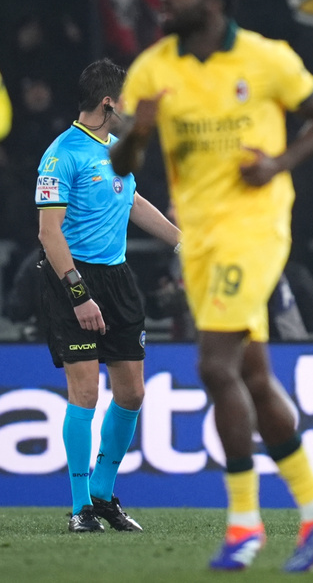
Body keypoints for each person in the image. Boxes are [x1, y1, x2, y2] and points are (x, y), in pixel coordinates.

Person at [109, 0, 313, 572]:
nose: (164, 0)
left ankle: (244, 523)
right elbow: (121, 164)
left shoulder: (267, 59)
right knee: (252, 376)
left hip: (257, 228)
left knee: (213, 365)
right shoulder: (152, 67)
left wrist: (277, 164)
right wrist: (140, 133)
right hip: (200, 237)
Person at [35, 58, 181, 533]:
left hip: (118, 280)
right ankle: (80, 507)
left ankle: (102, 493)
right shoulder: (61, 155)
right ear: (108, 102)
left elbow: (132, 201)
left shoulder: (118, 149)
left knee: (133, 393)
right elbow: (49, 233)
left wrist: (183, 241)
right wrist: (79, 295)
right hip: (73, 280)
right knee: (85, 391)